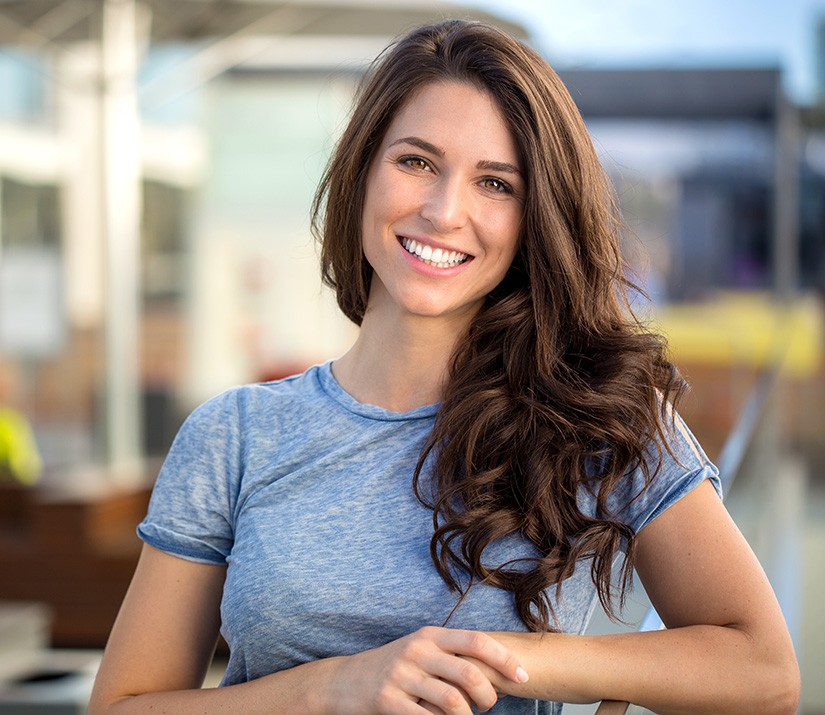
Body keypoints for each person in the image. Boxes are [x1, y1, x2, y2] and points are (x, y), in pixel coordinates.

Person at [89, 19, 799, 715]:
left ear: (532, 219)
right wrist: (330, 688)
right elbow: (121, 705)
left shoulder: (598, 413)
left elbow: (762, 669)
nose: (442, 209)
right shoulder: (233, 435)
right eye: (416, 161)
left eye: (495, 183)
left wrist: (507, 659)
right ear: (362, 169)